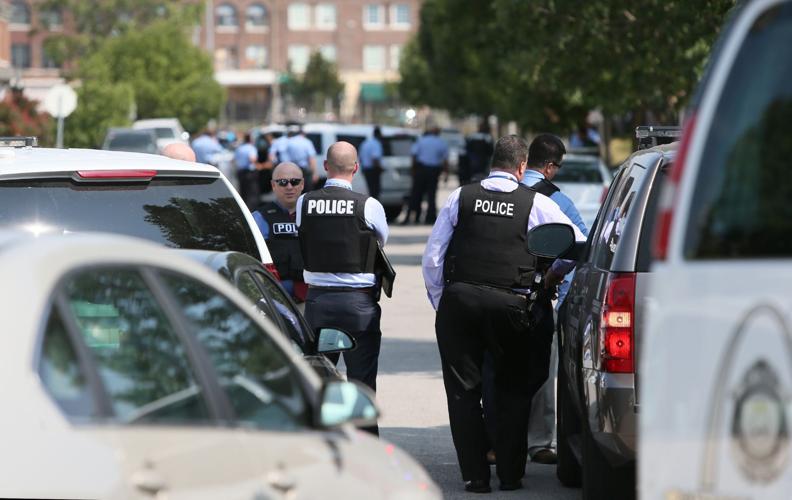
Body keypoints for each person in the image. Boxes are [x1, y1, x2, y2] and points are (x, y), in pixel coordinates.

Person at [422, 135, 585, 493]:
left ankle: (475, 477)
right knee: (511, 390)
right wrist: (551, 275)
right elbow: (576, 244)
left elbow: (433, 256)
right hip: (511, 307)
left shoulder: (460, 197)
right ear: (522, 166)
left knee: (463, 394)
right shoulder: (536, 203)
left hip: (460, 304)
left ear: (492, 162)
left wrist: (442, 302)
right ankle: (510, 475)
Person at [297, 141, 389, 434]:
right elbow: (380, 243)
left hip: (318, 305)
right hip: (358, 306)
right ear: (356, 168)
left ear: (325, 166)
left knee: (319, 384)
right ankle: (368, 457)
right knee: (361, 386)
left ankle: (320, 450)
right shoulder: (369, 205)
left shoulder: (304, 202)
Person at [252, 162, 307, 304]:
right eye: (282, 182)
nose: (289, 187)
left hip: (311, 296)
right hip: (276, 296)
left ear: (302, 184)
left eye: (294, 182)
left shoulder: (314, 215)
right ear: (273, 185)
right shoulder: (259, 218)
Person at [405, 126, 449, 225]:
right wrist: (446, 174)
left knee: (416, 193)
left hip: (421, 169)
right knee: (431, 195)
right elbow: (445, 160)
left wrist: (413, 170)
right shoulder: (441, 142)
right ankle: (430, 218)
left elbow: (414, 155)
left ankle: (413, 216)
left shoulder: (421, 140)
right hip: (433, 171)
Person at [460, 121, 494, 185]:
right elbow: (491, 151)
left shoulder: (472, 136)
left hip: (472, 162)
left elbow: (466, 149)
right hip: (484, 162)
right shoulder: (488, 137)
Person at [286, 125, 319, 191]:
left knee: (295, 191)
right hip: (305, 171)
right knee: (307, 191)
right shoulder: (307, 142)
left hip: (293, 170)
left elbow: (286, 158)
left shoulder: (289, 142)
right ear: (303, 133)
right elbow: (311, 159)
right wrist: (315, 173)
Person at [234, 133, 261, 210]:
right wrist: (258, 165)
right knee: (252, 193)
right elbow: (252, 158)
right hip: (249, 172)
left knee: (243, 192)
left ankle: (244, 210)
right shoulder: (251, 148)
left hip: (240, 172)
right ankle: (252, 210)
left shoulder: (239, 148)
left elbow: (234, 160)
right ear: (251, 140)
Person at [359, 126, 384, 199]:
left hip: (366, 169)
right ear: (379, 134)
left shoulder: (365, 143)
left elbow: (360, 157)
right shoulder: (376, 144)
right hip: (373, 170)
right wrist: (380, 168)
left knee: (370, 190)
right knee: (375, 191)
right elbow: (375, 158)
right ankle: (375, 208)